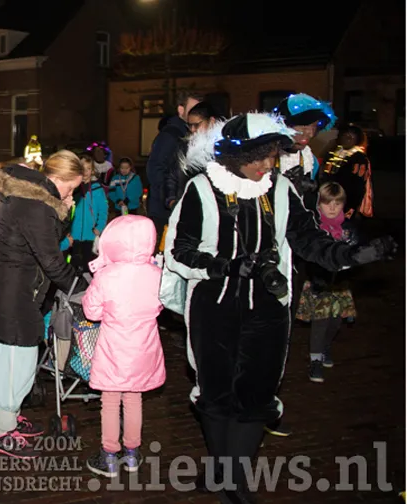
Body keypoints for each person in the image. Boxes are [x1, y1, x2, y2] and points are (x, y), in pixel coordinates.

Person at [164, 112, 395, 502]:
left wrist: (354, 255)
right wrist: (227, 266)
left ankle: (235, 482)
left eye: (273, 156)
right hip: (214, 306)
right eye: (262, 157)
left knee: (257, 395)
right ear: (239, 155)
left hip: (269, 308)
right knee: (217, 394)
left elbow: (309, 241)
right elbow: (178, 252)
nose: (269, 164)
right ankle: (223, 474)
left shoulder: (282, 189)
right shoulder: (203, 189)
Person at [0, 150, 88, 459]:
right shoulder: (35, 206)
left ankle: (10, 419)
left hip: (13, 291)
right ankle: (2, 431)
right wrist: (83, 289)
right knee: (16, 363)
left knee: (19, 359)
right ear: (58, 179)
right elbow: (52, 261)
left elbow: (46, 242)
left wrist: (63, 210)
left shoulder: (37, 200)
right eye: (72, 187)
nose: (72, 194)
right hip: (10, 295)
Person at [268, 92, 337, 438]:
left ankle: (268, 401)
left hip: (293, 256)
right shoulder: (268, 155)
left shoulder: (309, 157)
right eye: (301, 126)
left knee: (284, 329)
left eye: (312, 127)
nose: (307, 133)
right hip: (265, 255)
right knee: (262, 328)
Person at [83, 215, 165, 477]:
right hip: (144, 347)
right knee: (134, 398)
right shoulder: (156, 273)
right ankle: (131, 453)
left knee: (109, 401)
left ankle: (108, 454)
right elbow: (161, 305)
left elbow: (92, 312)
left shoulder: (108, 275)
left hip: (114, 348)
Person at [295, 182, 358, 383]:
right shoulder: (313, 228)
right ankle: (315, 360)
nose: (332, 208)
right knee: (320, 323)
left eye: (337, 204)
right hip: (319, 283)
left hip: (340, 285)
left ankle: (325, 347)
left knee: (335, 322)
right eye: (327, 203)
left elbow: (355, 256)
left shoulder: (347, 229)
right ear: (319, 205)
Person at [146, 91, 203, 237]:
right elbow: (155, 169)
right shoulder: (170, 135)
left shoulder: (193, 134)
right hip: (165, 211)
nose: (198, 113)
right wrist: (170, 200)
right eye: (193, 109)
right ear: (181, 110)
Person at [273, 93, 336, 198]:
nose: (310, 134)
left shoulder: (310, 160)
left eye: (314, 127)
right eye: (303, 126)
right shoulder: (265, 157)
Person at [165, 101, 222, 212]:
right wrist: (172, 200)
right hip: (184, 208)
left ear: (211, 121)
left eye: (196, 125)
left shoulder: (222, 150)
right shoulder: (183, 147)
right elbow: (172, 175)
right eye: (189, 125)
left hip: (212, 210)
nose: (192, 129)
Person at [60, 154, 108, 269]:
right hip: (73, 234)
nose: (86, 171)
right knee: (71, 263)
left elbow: (103, 211)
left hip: (90, 234)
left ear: (92, 171)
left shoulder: (97, 189)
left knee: (89, 264)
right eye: (82, 168)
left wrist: (99, 227)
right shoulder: (72, 189)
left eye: (88, 168)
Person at [320, 124, 374, 222]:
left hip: (345, 200)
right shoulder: (331, 153)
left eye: (351, 138)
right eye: (345, 136)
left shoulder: (358, 158)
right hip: (326, 197)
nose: (347, 140)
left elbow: (358, 185)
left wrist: (352, 206)